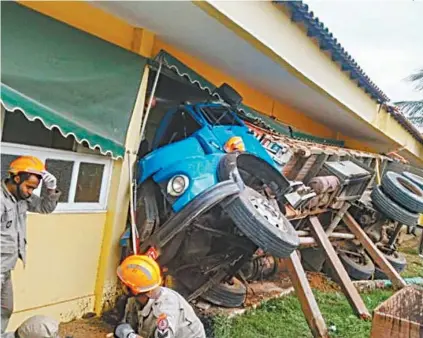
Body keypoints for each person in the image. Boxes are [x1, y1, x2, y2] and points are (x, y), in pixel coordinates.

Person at [1, 156, 60, 333]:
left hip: (6, 267)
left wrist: (51, 189)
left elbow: (44, 207)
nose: (30, 192)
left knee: (5, 308)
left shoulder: (21, 197)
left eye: (33, 189)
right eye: (29, 187)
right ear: (16, 178)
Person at [113, 255, 206, 338]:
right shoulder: (136, 299)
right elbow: (127, 325)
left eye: (123, 282)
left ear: (134, 289)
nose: (121, 284)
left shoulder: (164, 311)